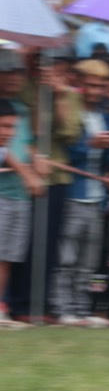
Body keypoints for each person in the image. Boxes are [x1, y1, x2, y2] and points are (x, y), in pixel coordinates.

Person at [53, 58, 109, 328]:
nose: (96, 91)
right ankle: (63, 309)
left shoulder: (105, 116)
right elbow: (67, 150)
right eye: (91, 85)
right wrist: (91, 143)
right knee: (67, 257)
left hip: (97, 199)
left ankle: (83, 309)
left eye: (101, 86)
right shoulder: (74, 114)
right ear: (81, 84)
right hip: (74, 193)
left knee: (89, 259)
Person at [0, 96, 42, 329]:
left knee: (5, 257)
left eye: (12, 127)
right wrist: (27, 174)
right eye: (4, 126)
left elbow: (7, 154)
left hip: (17, 198)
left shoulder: (4, 149)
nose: (9, 132)